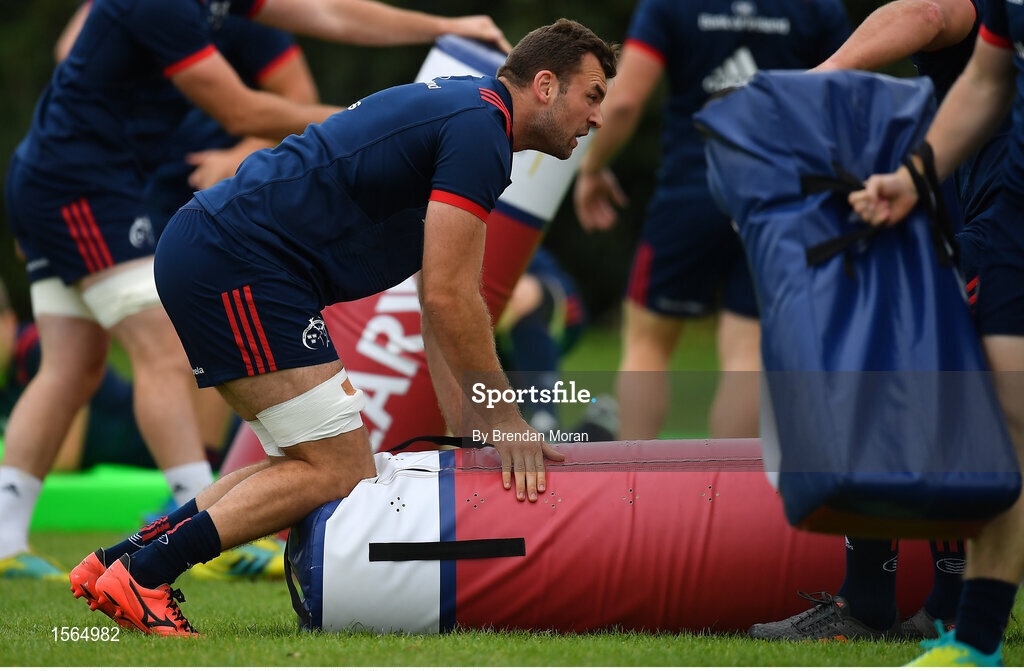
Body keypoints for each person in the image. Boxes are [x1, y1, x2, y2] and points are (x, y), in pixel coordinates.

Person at [69, 19, 617, 636]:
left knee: (302, 460)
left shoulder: (472, 115)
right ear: (545, 84)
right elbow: (450, 296)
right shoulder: (480, 132)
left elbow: (437, 311)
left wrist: (468, 440)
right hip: (238, 260)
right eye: (592, 95)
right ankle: (147, 578)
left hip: (225, 254)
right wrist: (507, 420)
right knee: (338, 468)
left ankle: (115, 565)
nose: (597, 118)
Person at [0, 0, 509, 580]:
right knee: (160, 349)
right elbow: (237, 106)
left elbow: (332, 14)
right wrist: (382, 124)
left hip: (67, 176)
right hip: (81, 183)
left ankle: (13, 540)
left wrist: (442, 26)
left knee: (71, 368)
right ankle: (179, 538)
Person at [747, 0, 1007, 643]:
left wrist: (821, 74)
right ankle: (942, 599)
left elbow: (926, 13)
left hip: (1001, 230)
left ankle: (878, 602)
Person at [572, 0, 849, 441]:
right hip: (777, 199)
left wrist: (591, 169)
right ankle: (724, 501)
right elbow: (843, 96)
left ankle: (632, 496)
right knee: (749, 352)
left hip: (691, 192)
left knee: (647, 345)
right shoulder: (817, 7)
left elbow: (623, 101)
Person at [847, 0, 1024, 661]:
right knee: (998, 419)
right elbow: (985, 80)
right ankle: (971, 639)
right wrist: (911, 180)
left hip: (989, 218)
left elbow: (927, 13)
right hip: (1010, 220)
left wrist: (823, 72)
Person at [496, 247, 618, 441]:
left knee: (523, 293)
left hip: (550, 303)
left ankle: (545, 422)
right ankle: (593, 434)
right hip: (496, 334)